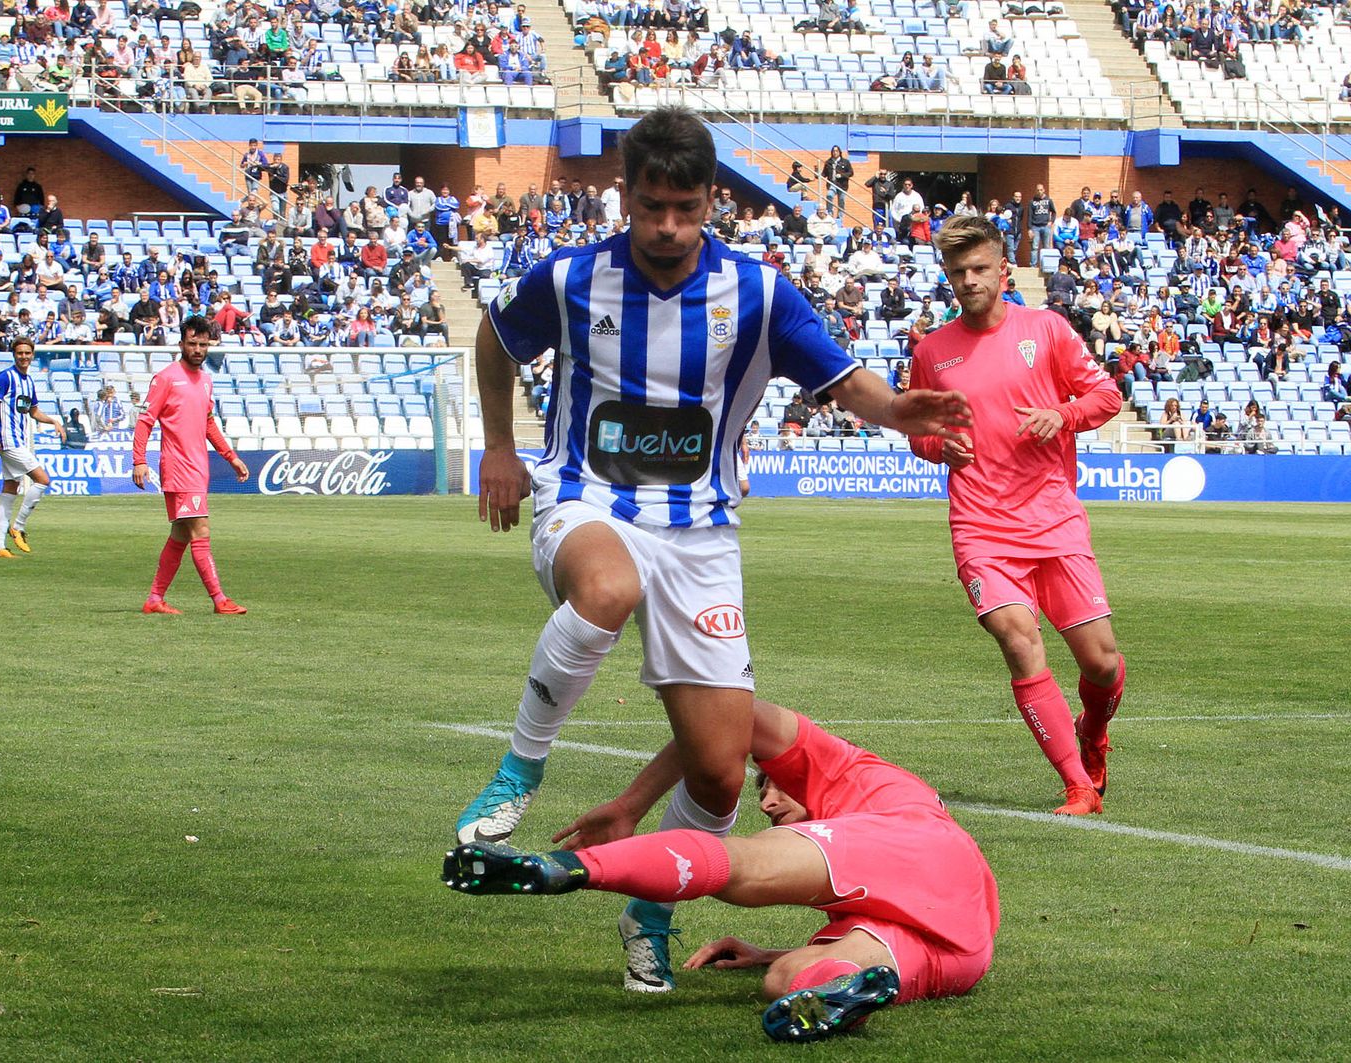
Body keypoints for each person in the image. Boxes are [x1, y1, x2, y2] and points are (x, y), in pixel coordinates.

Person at [460, 107, 972, 992]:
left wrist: (896, 412)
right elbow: (495, 338)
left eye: (686, 209)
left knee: (720, 769)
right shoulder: (571, 278)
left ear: (711, 202)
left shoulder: (760, 293)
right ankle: (517, 770)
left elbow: (841, 377)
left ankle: (647, 913)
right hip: (589, 499)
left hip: (702, 535)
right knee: (607, 588)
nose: (668, 227)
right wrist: (500, 447)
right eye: (652, 207)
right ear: (626, 194)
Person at [443, 698, 998, 1043]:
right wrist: (766, 956)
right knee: (787, 982)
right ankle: (840, 998)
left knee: (746, 865)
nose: (769, 800)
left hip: (919, 844)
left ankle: (562, 868)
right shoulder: (871, 840)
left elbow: (729, 716)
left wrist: (633, 805)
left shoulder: (857, 776)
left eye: (775, 784)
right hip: (961, 947)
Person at [907, 216, 1125, 816]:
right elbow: (919, 434)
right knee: (1018, 639)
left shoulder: (1047, 329)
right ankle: (1078, 784)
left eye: (980, 269)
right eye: (958, 272)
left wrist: (1063, 415)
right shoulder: (931, 351)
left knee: (1102, 663)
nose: (969, 281)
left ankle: (1095, 733)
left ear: (1003, 270)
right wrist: (936, 446)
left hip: (1053, 517)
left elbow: (1106, 395)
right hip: (981, 526)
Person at [131, 316, 250, 616]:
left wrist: (230, 456)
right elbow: (145, 420)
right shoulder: (166, 378)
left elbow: (208, 423)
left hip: (199, 468)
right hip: (179, 468)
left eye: (203, 344)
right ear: (181, 343)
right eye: (192, 343)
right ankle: (220, 599)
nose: (197, 349)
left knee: (181, 535)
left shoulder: (206, 380)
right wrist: (139, 460)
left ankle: (155, 599)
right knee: (200, 530)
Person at [0, 339, 67, 558]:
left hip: (18, 440)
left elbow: (33, 411)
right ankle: (18, 526)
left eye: (27, 353)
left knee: (10, 488)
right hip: (7, 440)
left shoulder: (28, 381)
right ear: (14, 354)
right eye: (20, 353)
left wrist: (53, 421)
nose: (23, 356)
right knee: (42, 479)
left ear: (32, 355)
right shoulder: (6, 377)